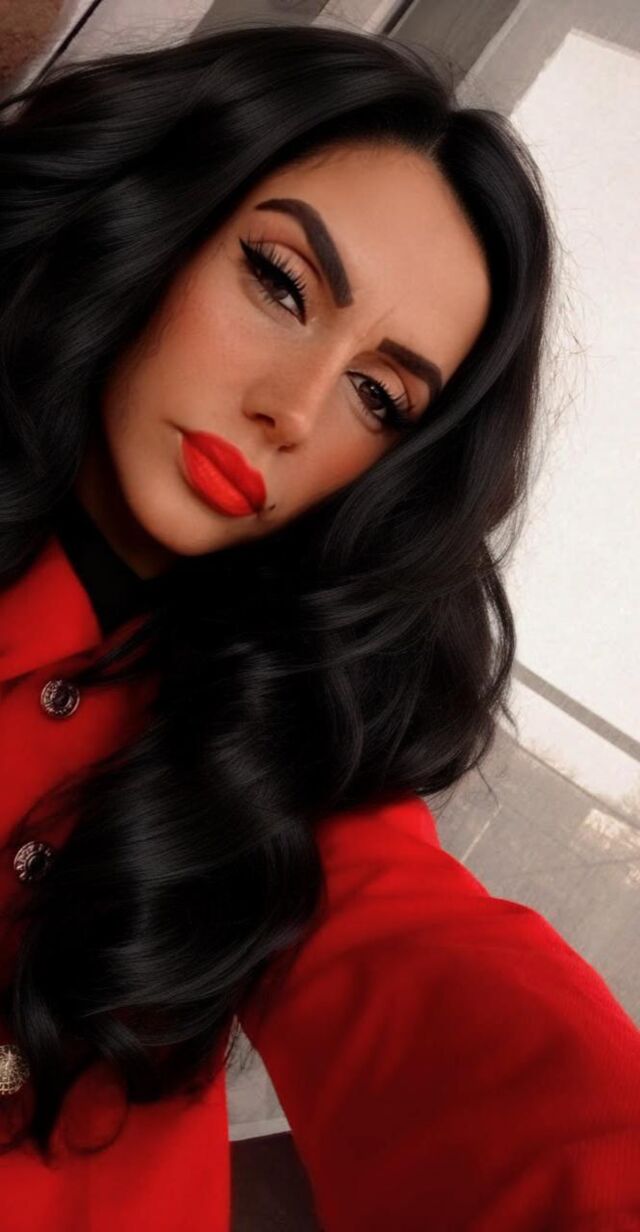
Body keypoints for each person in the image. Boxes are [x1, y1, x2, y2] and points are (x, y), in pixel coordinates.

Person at [0, 21, 638, 1232]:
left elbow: (468, 1016)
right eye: (282, 284)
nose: (291, 410)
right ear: (156, 217)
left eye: (377, 394)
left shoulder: (271, 768)